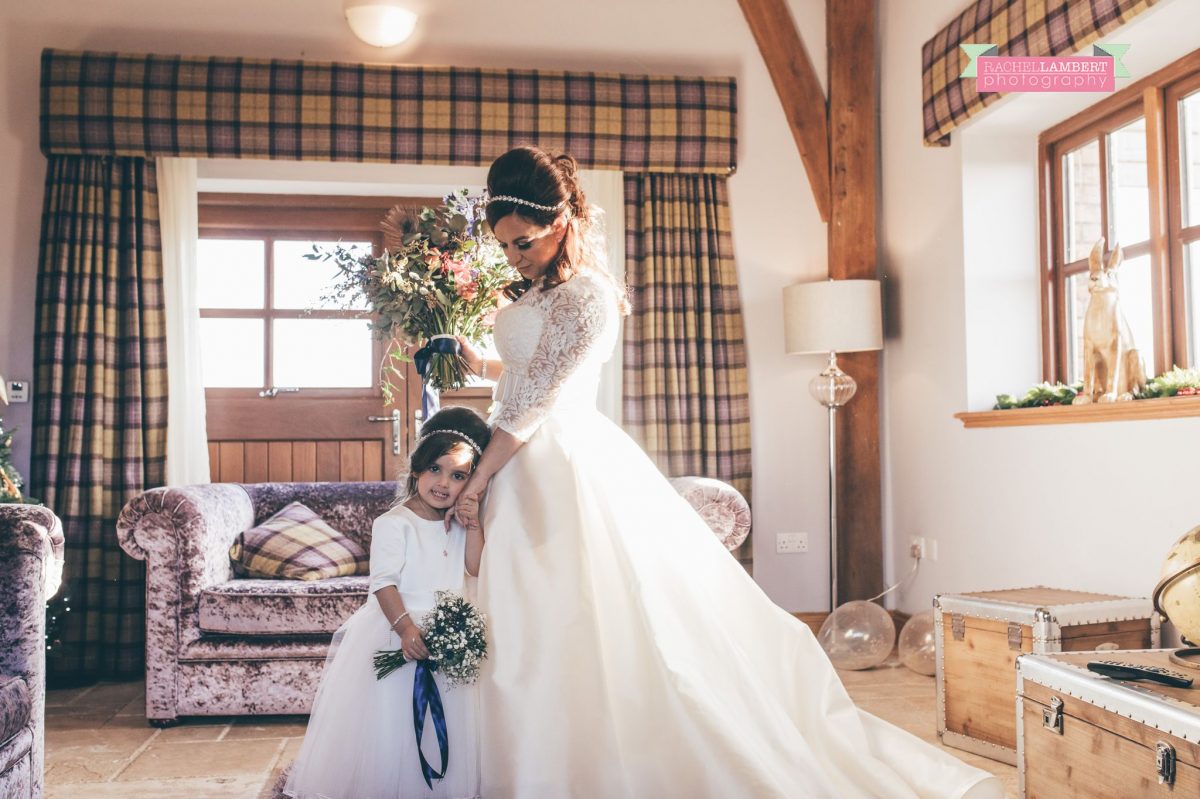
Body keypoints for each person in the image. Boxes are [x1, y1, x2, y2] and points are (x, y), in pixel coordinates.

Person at [451, 145, 1004, 798]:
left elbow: (540, 398)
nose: (513, 258)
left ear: (563, 221)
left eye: (523, 243)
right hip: (519, 464)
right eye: (506, 246)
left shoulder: (589, 296)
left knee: (587, 622)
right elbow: (522, 375)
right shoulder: (541, 291)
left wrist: (478, 479)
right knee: (525, 626)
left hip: (555, 464)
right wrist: (478, 364)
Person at [284, 406, 491, 799]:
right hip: (400, 629)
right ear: (416, 470)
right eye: (436, 469)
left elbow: (475, 568)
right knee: (394, 726)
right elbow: (383, 584)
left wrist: (475, 524)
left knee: (448, 720)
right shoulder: (394, 523)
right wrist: (406, 628)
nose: (444, 483)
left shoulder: (458, 523)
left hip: (448, 638)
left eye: (458, 475)